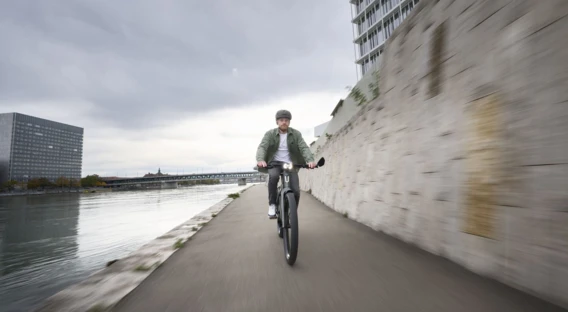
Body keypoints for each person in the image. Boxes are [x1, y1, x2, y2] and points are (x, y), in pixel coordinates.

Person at [256, 109, 316, 218]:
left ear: (289, 122)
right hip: (274, 163)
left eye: (286, 120)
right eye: (281, 120)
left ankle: (292, 212)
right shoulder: (270, 134)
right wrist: (261, 159)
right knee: (273, 177)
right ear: (277, 122)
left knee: (296, 191)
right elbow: (263, 147)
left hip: (290, 163)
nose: (284, 122)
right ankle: (272, 205)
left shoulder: (296, 134)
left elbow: (303, 147)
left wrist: (310, 160)